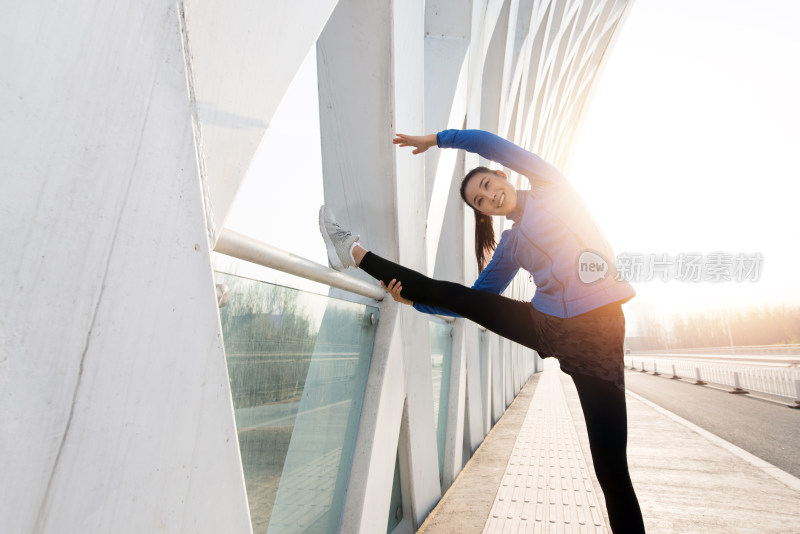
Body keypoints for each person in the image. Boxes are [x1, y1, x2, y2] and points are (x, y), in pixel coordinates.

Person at [318, 129, 645, 533]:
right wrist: (414, 300)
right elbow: (472, 300)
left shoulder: (551, 187)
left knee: (611, 469)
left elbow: (490, 143)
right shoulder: (509, 245)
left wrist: (438, 140)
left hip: (599, 332)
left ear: (503, 176)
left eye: (488, 186)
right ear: (483, 212)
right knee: (457, 296)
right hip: (546, 326)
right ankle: (351, 251)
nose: (489, 198)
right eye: (480, 201)